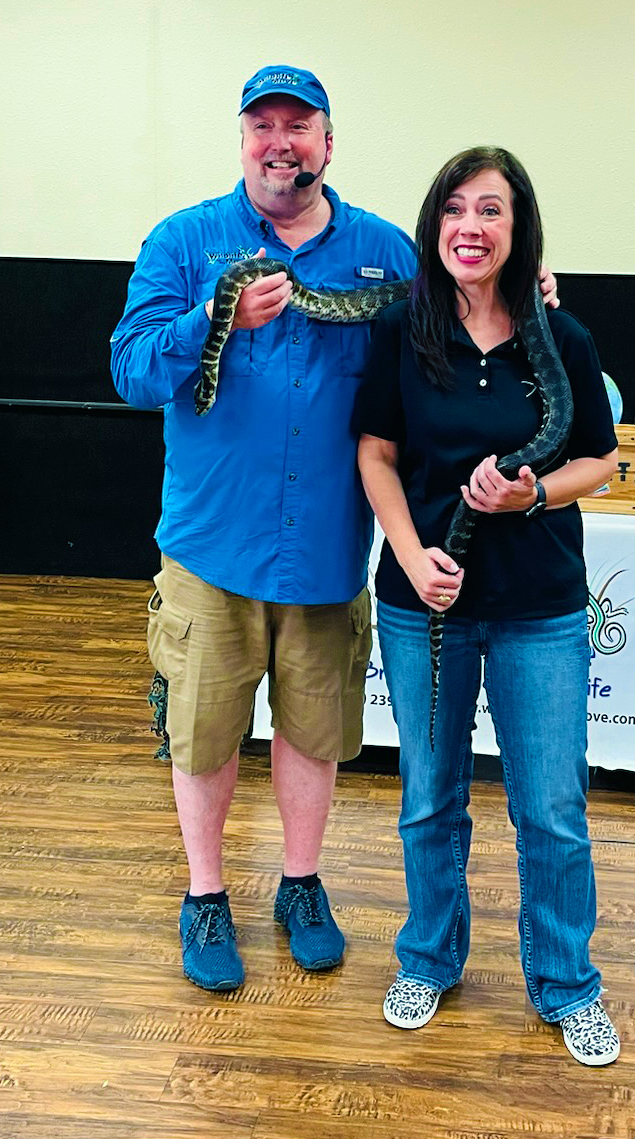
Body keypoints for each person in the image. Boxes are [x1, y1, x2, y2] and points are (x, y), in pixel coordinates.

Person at [111, 66, 558, 994]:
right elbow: (131, 370)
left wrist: (528, 286)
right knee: (203, 733)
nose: (282, 142)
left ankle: (302, 885)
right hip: (209, 545)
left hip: (325, 550)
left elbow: (464, 304)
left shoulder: (387, 255)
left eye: (299, 125)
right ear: (242, 141)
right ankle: (205, 895)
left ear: (327, 141)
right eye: (263, 125)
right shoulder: (185, 242)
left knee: (313, 732)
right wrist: (210, 318)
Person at [354, 146, 621, 1066]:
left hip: (537, 606)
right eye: (456, 208)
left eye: (492, 210)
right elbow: (377, 453)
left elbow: (598, 458)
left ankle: (566, 982)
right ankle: (428, 959)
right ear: (435, 224)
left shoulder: (563, 339)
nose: (472, 225)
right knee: (429, 798)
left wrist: (532, 493)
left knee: (550, 807)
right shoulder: (400, 327)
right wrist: (405, 551)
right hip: (423, 602)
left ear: (518, 230)